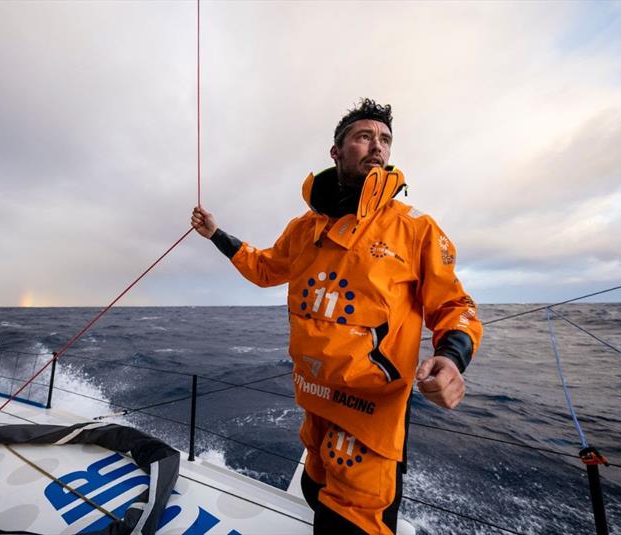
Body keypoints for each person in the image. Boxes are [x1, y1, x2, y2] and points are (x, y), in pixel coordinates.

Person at [191, 98, 483, 534]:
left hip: (371, 416)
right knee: (313, 490)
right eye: (365, 136)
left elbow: (455, 306)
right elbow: (266, 268)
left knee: (347, 523)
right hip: (314, 403)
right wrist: (217, 235)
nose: (377, 147)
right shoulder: (303, 228)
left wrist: (452, 356)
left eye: (385, 140)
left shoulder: (416, 229)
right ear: (337, 151)